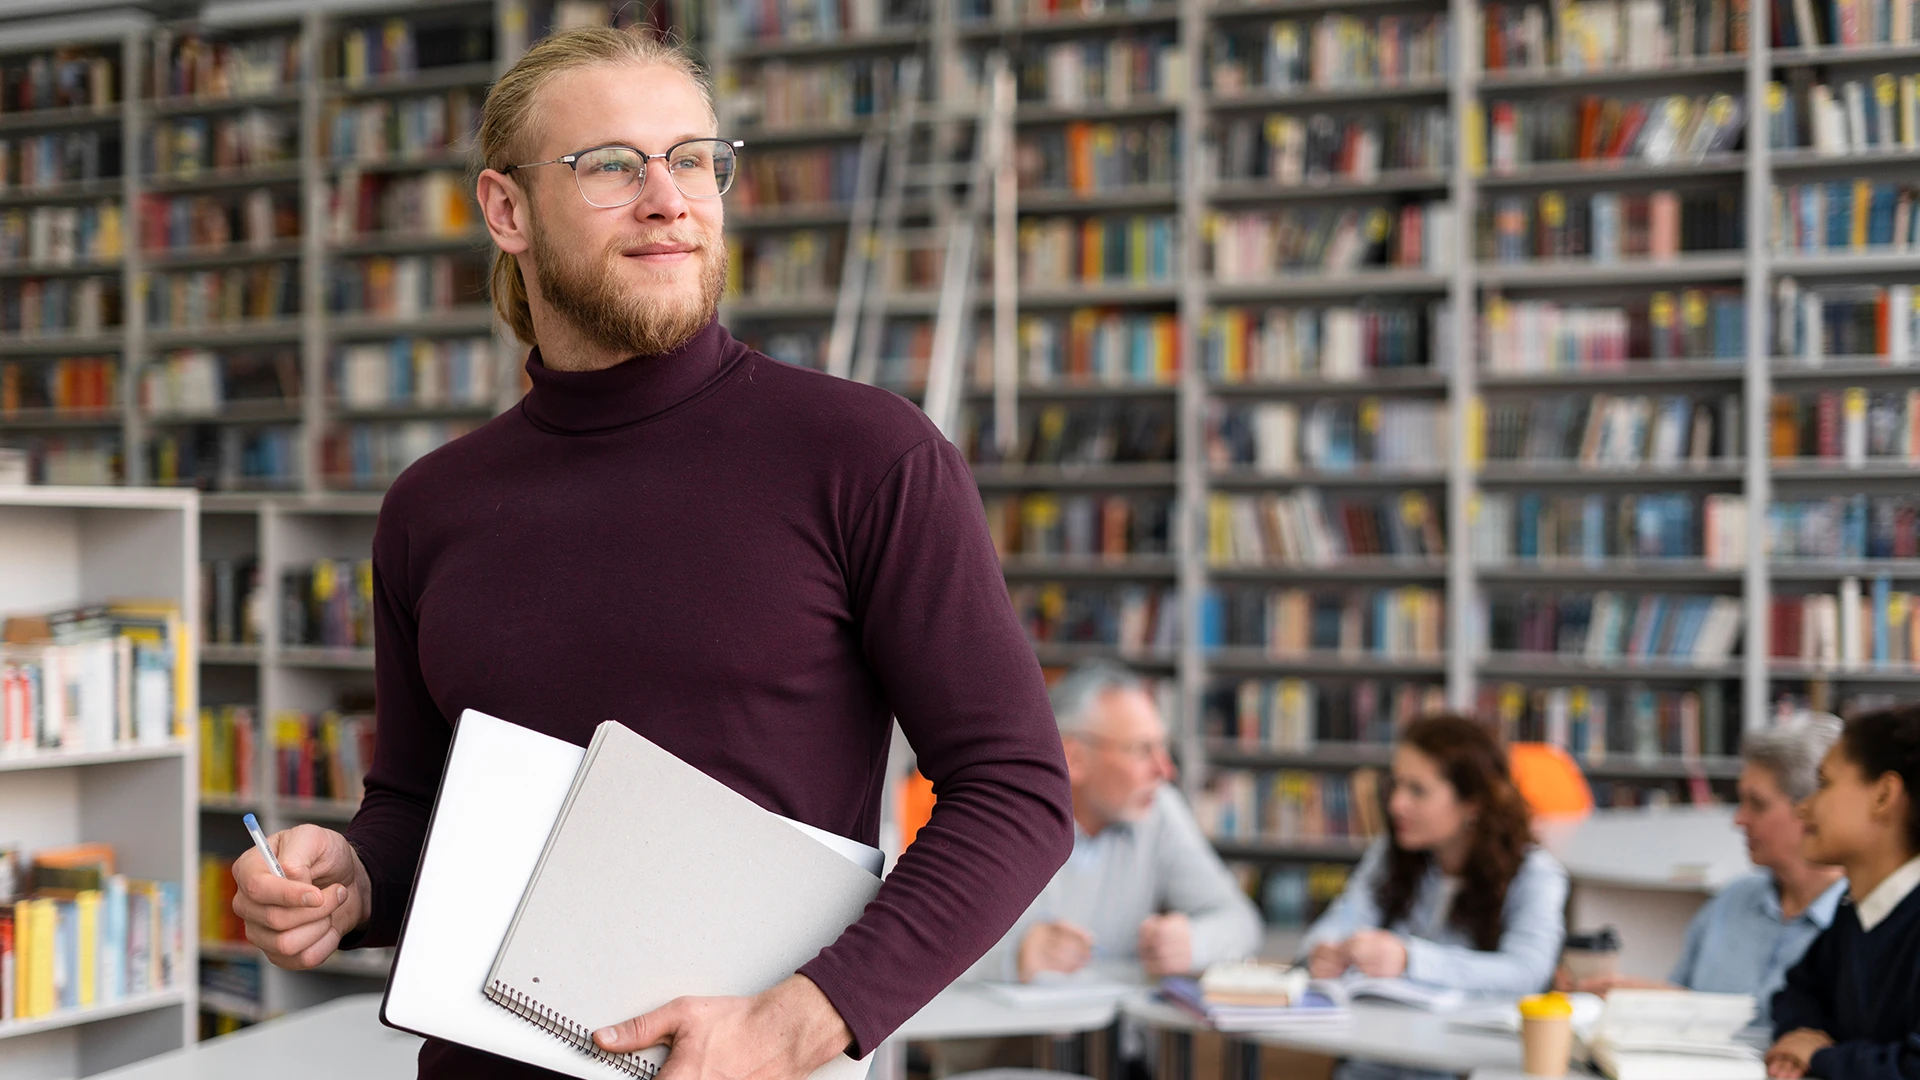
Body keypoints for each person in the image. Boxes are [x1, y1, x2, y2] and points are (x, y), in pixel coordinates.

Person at [227, 27, 1076, 1080]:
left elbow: (1017, 794)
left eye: (692, 160)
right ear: (505, 211)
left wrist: (799, 1022)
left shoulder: (869, 455)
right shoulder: (429, 507)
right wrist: (351, 882)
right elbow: (414, 801)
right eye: (613, 167)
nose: (669, 198)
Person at [1303, 714, 1568, 1080]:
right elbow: (1343, 917)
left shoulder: (1534, 874)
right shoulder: (1392, 853)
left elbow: (1527, 972)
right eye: (1395, 785)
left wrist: (1410, 959)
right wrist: (1323, 949)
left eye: (1418, 790)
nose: (1396, 804)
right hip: (1374, 1056)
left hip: (1465, 1064)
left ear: (1472, 802)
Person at [970, 663, 1263, 984]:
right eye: (1141, 750)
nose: (1165, 770)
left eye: (1162, 746)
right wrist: (1013, 958)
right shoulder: (1001, 817)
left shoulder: (1157, 808)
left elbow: (1243, 922)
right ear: (1074, 757)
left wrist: (1193, 942)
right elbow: (923, 943)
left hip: (1109, 1029)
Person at [1561, 717, 1847, 1033]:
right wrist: (1620, 994)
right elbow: (1683, 1002)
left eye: (1757, 804)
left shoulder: (1859, 924)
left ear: (1811, 809)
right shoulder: (1731, 901)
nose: (1739, 820)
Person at [1768, 705, 1920, 1080]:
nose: (1803, 808)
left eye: (1824, 784)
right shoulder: (1856, 909)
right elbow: (1797, 992)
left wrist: (1822, 1057)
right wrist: (1801, 1033)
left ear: (1883, 795)